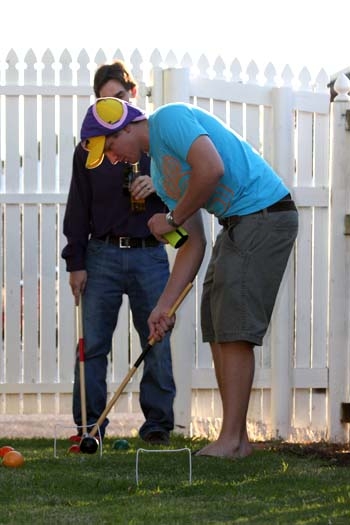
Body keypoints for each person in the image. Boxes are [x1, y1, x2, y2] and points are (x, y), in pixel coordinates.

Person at [78, 96, 299, 458]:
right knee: (215, 320)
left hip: (264, 213)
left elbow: (211, 169)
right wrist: (162, 307)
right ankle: (237, 440)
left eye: (111, 146)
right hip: (238, 223)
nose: (113, 157)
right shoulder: (163, 180)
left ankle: (229, 441)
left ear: (129, 125)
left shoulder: (170, 119)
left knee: (234, 326)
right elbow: (193, 245)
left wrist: (170, 219)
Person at [61, 61, 176, 446]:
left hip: (149, 256)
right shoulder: (89, 153)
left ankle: (157, 426)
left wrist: (156, 186)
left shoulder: (154, 146)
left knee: (156, 339)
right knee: (93, 344)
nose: (114, 106)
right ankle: (89, 427)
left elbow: (181, 204)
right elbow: (77, 208)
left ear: (133, 96)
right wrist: (75, 262)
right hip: (102, 255)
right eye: (105, 101)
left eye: (120, 97)